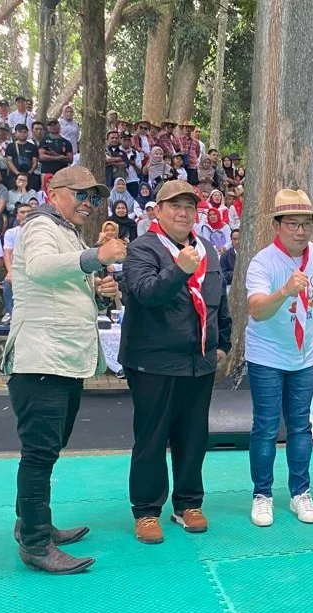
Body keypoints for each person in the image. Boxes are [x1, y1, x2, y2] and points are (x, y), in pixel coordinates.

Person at [4, 165, 126, 574]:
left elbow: (56, 282)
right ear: (53, 192)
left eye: (94, 198)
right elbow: (39, 268)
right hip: (42, 359)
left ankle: (32, 525)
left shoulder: (65, 232)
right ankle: (36, 545)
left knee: (46, 450)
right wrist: (95, 257)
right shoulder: (40, 225)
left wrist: (94, 285)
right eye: (81, 195)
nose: (90, 204)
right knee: (39, 454)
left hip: (60, 360)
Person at [118, 180, 231, 544]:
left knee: (194, 436)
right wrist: (179, 269)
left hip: (199, 363)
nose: (183, 213)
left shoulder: (208, 250)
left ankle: (188, 503)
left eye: (189, 207)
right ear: (158, 210)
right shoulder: (141, 248)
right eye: (174, 206)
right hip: (154, 362)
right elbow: (146, 294)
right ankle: (147, 510)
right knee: (151, 439)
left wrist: (224, 344)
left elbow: (219, 302)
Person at [244, 189, 313, 527]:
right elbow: (256, 310)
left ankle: (301, 493)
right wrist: (284, 291)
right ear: (277, 225)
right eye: (292, 224)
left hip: (303, 355)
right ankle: (262, 495)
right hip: (266, 354)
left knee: (301, 425)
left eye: (306, 224)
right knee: (266, 427)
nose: (300, 231)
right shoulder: (263, 261)